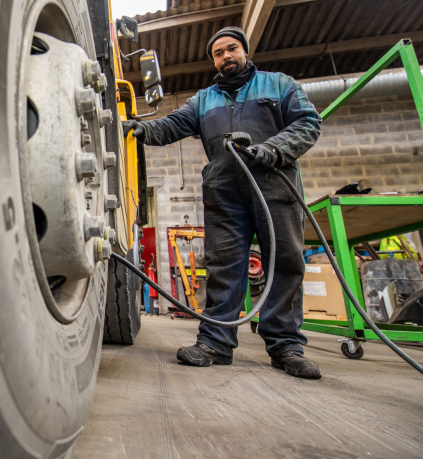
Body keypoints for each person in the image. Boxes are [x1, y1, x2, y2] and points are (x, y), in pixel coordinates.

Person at [124, 26, 323, 379]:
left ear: (245, 51)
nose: (226, 56)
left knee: (285, 261)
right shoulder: (204, 99)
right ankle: (215, 342)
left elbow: (308, 122)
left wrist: (272, 150)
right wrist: (141, 129)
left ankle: (286, 346)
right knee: (223, 265)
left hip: (274, 182)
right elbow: (172, 125)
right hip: (224, 191)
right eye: (218, 53)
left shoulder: (278, 84)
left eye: (231, 49)